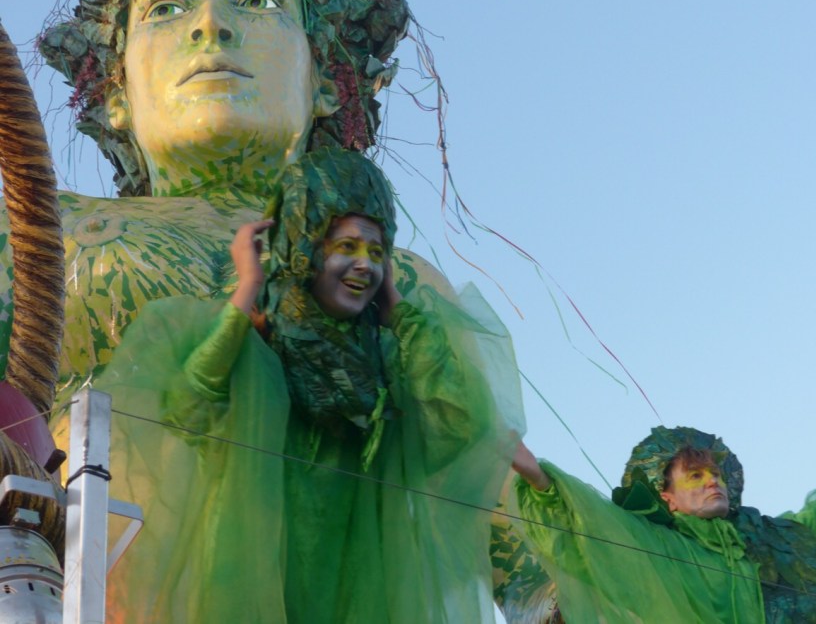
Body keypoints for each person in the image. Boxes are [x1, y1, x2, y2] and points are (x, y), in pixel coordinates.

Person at [97, 147, 522, 623]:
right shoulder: (259, 340)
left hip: (358, 588)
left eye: (376, 252)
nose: (365, 265)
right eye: (346, 247)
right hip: (254, 579)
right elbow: (188, 408)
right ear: (305, 248)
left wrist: (397, 308)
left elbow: (458, 424)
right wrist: (246, 289)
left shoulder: (386, 362)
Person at [0, 0, 411, 417]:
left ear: (325, 83)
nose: (210, 25)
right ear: (117, 95)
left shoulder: (397, 277)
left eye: (259, 1)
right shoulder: (30, 232)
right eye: (165, 9)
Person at [497, 426, 816, 623]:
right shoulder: (660, 550)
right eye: (696, 475)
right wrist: (540, 479)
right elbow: (593, 531)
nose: (713, 482)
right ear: (668, 498)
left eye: (716, 473)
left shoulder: (781, 539)